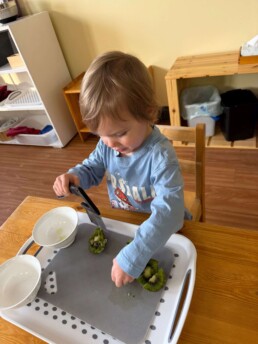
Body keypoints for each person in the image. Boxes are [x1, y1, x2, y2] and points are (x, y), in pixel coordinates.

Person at [53, 51, 189, 288]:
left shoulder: (161, 156)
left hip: (160, 229)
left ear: (148, 113)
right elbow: (93, 167)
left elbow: (171, 213)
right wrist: (75, 176)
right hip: (126, 222)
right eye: (101, 135)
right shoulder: (107, 144)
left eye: (119, 134)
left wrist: (136, 254)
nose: (109, 143)